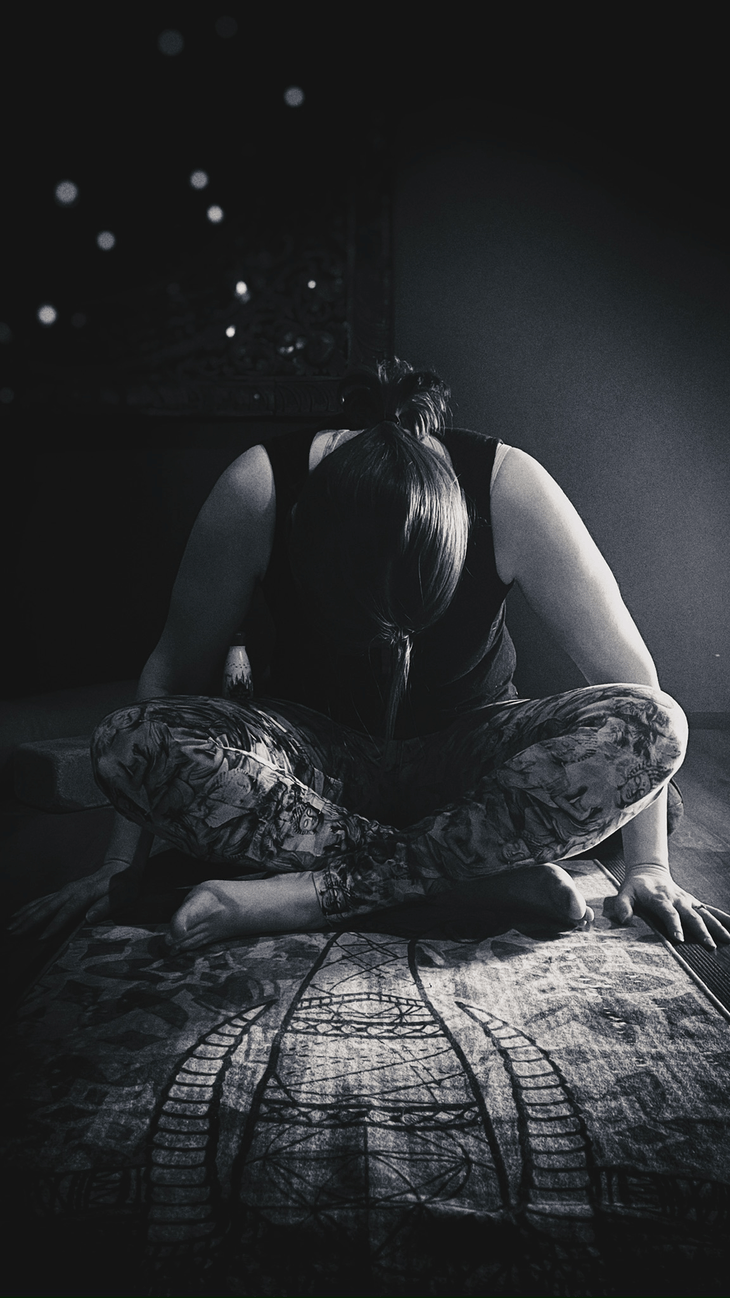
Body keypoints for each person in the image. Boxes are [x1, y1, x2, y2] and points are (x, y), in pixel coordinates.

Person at [10, 360, 730, 954]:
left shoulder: (509, 486)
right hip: (314, 762)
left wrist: (650, 866)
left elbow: (631, 683)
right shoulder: (260, 489)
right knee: (129, 739)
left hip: (465, 754)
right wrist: (115, 864)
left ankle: (318, 892)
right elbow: (171, 677)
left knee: (654, 723)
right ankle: (459, 882)